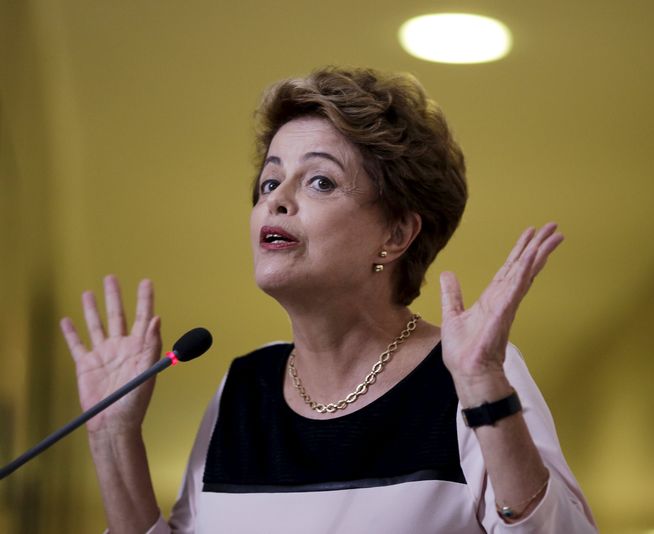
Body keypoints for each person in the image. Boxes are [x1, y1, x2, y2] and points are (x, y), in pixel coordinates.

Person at [60, 67, 597, 533]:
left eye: (319, 181)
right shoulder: (243, 389)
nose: (278, 201)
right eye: (269, 182)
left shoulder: (468, 374)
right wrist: (113, 438)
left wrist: (483, 388)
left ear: (396, 234)